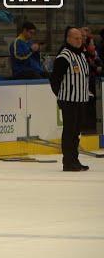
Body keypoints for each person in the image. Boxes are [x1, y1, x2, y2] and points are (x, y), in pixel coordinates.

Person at [49, 27, 91, 171]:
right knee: (69, 131)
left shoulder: (82, 55)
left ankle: (75, 159)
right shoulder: (64, 56)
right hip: (69, 100)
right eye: (76, 38)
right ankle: (68, 162)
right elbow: (54, 79)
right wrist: (61, 96)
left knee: (76, 132)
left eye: (80, 38)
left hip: (81, 100)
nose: (79, 41)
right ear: (68, 39)